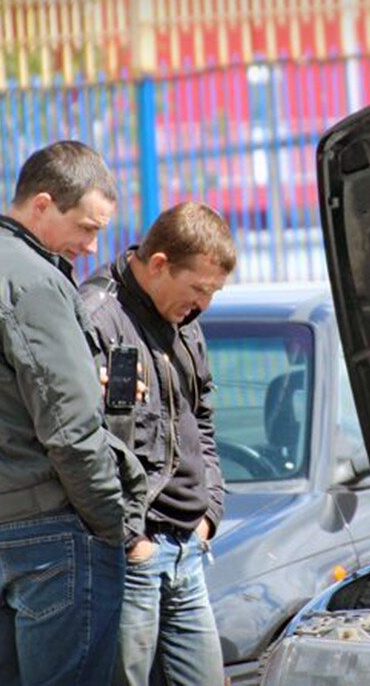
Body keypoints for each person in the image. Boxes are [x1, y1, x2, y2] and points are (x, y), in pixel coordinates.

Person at [0, 140, 146, 686]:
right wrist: (113, 523)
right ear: (42, 204)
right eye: (87, 228)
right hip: (54, 531)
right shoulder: (34, 280)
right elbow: (71, 430)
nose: (92, 247)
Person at [80, 202, 235, 686]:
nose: (203, 304)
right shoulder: (96, 317)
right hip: (134, 555)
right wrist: (132, 541)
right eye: (199, 289)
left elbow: (201, 419)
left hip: (189, 546)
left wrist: (210, 509)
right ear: (160, 265)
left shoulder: (184, 320)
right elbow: (77, 441)